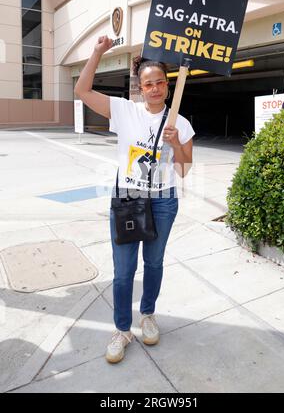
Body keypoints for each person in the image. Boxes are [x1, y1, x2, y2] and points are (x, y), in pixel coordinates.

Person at [74, 36, 195, 364]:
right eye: (148, 84)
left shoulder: (180, 122)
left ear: (168, 86)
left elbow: (183, 169)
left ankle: (148, 314)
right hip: (128, 198)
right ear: (140, 88)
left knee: (154, 263)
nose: (155, 89)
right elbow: (82, 91)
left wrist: (177, 142)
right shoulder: (124, 111)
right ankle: (122, 329)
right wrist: (98, 52)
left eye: (160, 83)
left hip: (164, 200)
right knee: (123, 270)